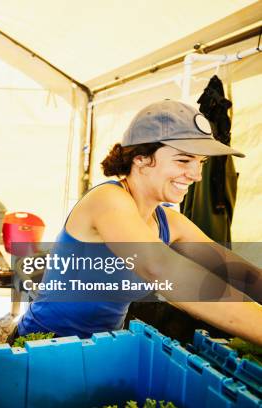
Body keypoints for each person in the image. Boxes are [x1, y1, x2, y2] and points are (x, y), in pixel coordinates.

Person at [14, 99, 262, 345]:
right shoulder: (107, 200)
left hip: (103, 350)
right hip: (40, 346)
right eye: (184, 161)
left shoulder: (170, 222)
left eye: (201, 163)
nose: (196, 175)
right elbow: (160, 268)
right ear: (141, 158)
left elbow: (236, 271)